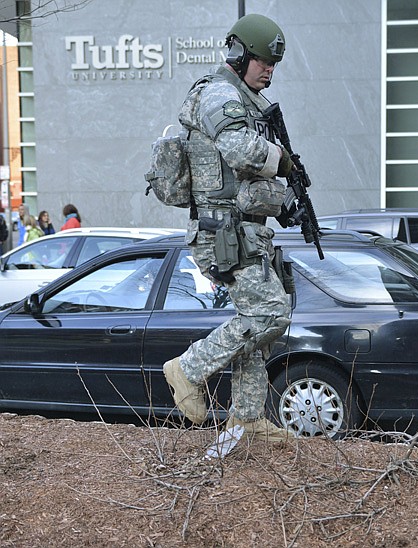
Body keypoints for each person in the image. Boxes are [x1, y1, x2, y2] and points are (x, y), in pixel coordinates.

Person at [162, 14, 294, 442]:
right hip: (221, 233)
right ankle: (188, 368)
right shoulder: (220, 94)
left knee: (254, 323)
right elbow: (240, 151)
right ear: (238, 54)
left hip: (245, 232)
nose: (268, 69)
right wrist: (281, 159)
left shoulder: (247, 102)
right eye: (261, 60)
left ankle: (247, 418)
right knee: (270, 313)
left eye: (274, 63)